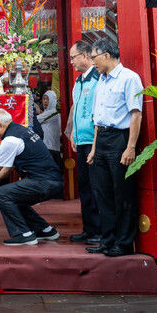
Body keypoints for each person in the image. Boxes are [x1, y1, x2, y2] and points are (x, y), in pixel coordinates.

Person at [0, 108, 63, 245]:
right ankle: (45, 230)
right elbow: (6, 170)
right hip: (53, 181)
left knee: (2, 194)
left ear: (0, 125)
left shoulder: (10, 140)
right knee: (14, 196)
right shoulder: (20, 130)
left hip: (43, 182)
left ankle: (24, 234)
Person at [86, 37, 143, 257]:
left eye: (94, 58)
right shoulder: (102, 80)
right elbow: (97, 118)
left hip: (120, 139)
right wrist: (93, 148)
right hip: (101, 140)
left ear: (107, 55)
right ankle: (107, 240)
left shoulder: (129, 78)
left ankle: (124, 243)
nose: (93, 63)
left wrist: (130, 148)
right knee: (103, 193)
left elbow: (136, 114)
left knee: (122, 193)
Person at [68, 40, 101, 245]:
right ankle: (89, 229)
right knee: (84, 187)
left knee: (97, 186)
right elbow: (75, 109)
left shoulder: (98, 79)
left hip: (94, 140)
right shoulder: (79, 81)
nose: (71, 61)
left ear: (85, 56)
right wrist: (72, 131)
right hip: (80, 140)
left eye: (73, 57)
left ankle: (99, 230)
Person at [36, 90, 62, 168]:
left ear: (53, 100)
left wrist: (35, 111)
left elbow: (35, 120)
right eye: (44, 99)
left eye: (48, 99)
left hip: (51, 149)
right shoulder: (47, 113)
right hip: (48, 148)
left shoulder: (53, 113)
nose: (45, 101)